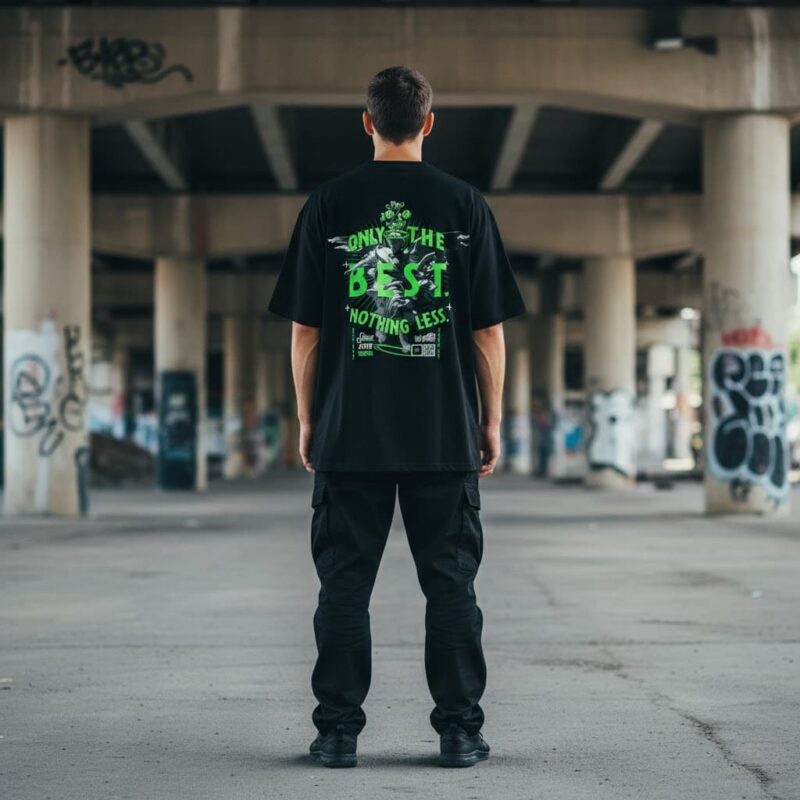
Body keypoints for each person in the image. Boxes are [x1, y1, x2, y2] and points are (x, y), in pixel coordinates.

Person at [268, 66, 526, 769]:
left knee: (344, 585)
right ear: (429, 123)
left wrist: (309, 417)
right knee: (451, 586)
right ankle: (459, 733)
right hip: (443, 434)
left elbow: (308, 333)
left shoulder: (329, 204)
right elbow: (485, 334)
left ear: (368, 122)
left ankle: (337, 735)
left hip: (351, 434)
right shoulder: (465, 205)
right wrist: (491, 418)